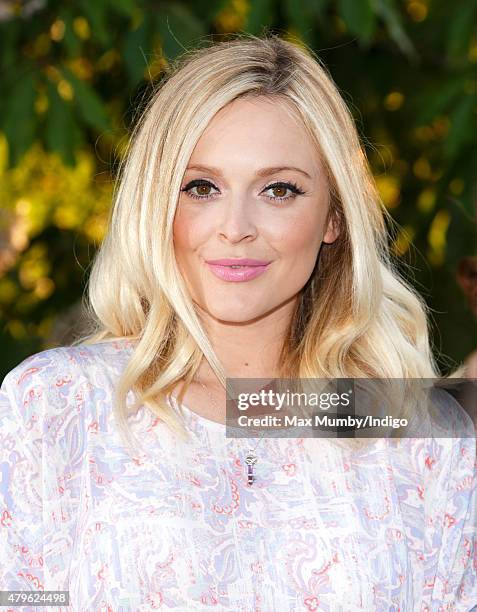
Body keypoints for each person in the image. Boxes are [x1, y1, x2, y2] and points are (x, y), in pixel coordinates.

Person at [1, 34, 476, 611]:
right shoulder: (57, 403)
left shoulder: (415, 434)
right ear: (158, 203)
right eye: (202, 187)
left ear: (332, 216)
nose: (236, 226)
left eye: (279, 190)